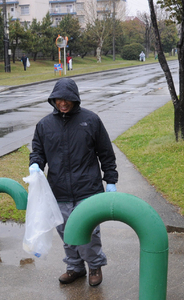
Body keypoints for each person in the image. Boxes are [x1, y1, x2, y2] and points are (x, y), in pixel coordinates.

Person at [29, 78, 118, 287]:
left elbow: (106, 153)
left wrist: (111, 180)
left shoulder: (91, 120)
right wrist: (35, 165)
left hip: (88, 189)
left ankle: (94, 266)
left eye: (67, 100)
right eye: (59, 99)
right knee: (67, 232)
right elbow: (38, 152)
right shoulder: (44, 125)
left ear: (75, 99)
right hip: (58, 191)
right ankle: (75, 268)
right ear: (53, 100)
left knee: (88, 233)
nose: (63, 103)